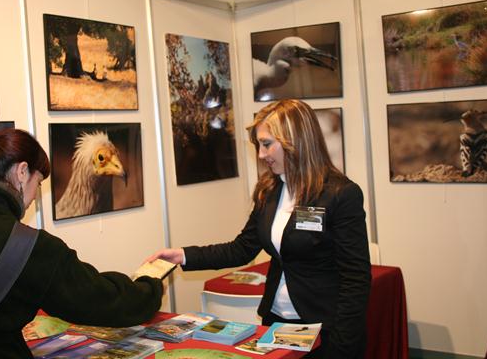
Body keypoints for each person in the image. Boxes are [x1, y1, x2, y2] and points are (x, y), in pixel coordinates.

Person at [0, 128, 163, 358]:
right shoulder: (28, 247)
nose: (36, 195)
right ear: (22, 172)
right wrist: (150, 285)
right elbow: (102, 301)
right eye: (39, 182)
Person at [148, 99, 371, 359]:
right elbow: (242, 248)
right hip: (276, 324)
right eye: (259, 145)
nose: (261, 155)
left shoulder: (340, 194)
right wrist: (183, 255)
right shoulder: (270, 190)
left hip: (325, 329)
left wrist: (343, 346)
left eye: (267, 144)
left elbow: (356, 278)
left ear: (295, 140)